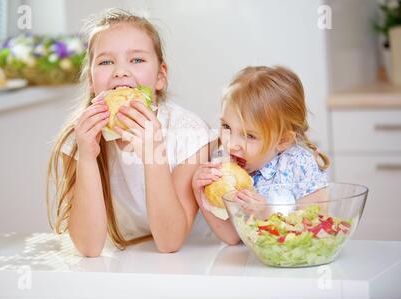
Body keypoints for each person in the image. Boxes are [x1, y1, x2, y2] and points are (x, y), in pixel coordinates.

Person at [47, 8, 214, 257]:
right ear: (92, 82)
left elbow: (170, 242)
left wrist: (153, 153)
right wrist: (88, 158)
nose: (120, 71)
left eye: (136, 60)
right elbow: (89, 247)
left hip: (192, 257)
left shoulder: (189, 133)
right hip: (126, 260)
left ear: (160, 77)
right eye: (105, 62)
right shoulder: (78, 138)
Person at [192, 66, 330, 245]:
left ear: (282, 140)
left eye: (249, 136)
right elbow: (233, 238)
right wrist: (200, 194)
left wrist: (266, 214)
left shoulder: (299, 165)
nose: (232, 145)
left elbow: (315, 230)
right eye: (226, 127)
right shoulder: (229, 163)